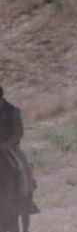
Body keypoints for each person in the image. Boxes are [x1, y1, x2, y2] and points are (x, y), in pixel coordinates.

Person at [0, 86, 38, 214]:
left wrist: (6, 145)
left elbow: (19, 132)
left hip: (11, 147)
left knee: (24, 167)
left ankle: (27, 201)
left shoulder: (13, 111)